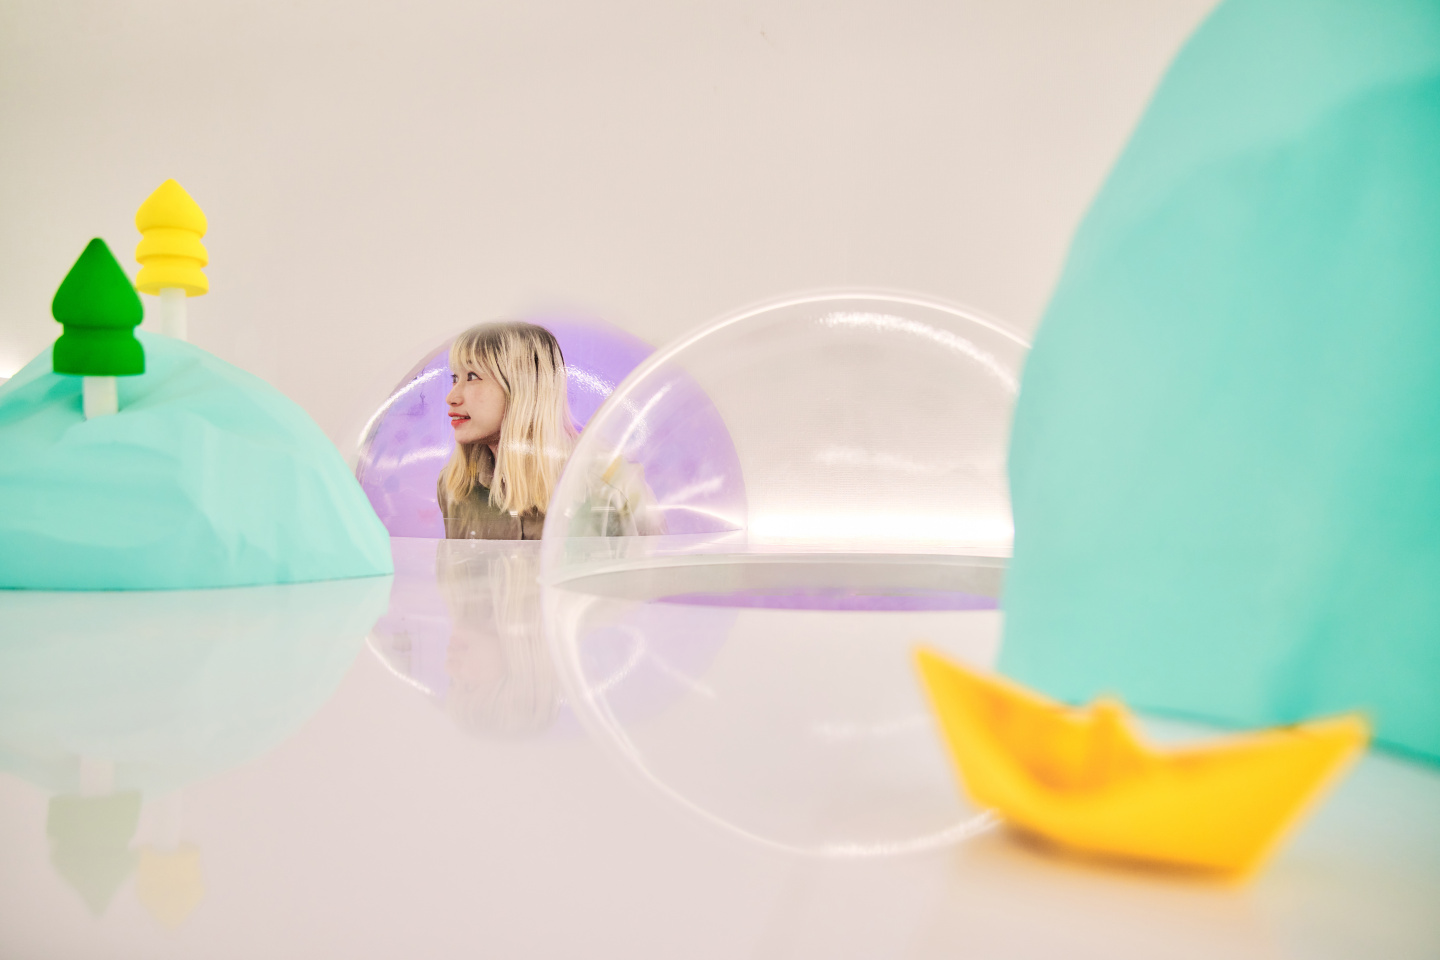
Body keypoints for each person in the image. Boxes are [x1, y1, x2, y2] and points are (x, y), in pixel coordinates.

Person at [438, 320, 666, 539]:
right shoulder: (454, 487)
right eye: (455, 378)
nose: (451, 397)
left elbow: (654, 564)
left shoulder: (610, 485)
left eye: (472, 376)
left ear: (523, 387)